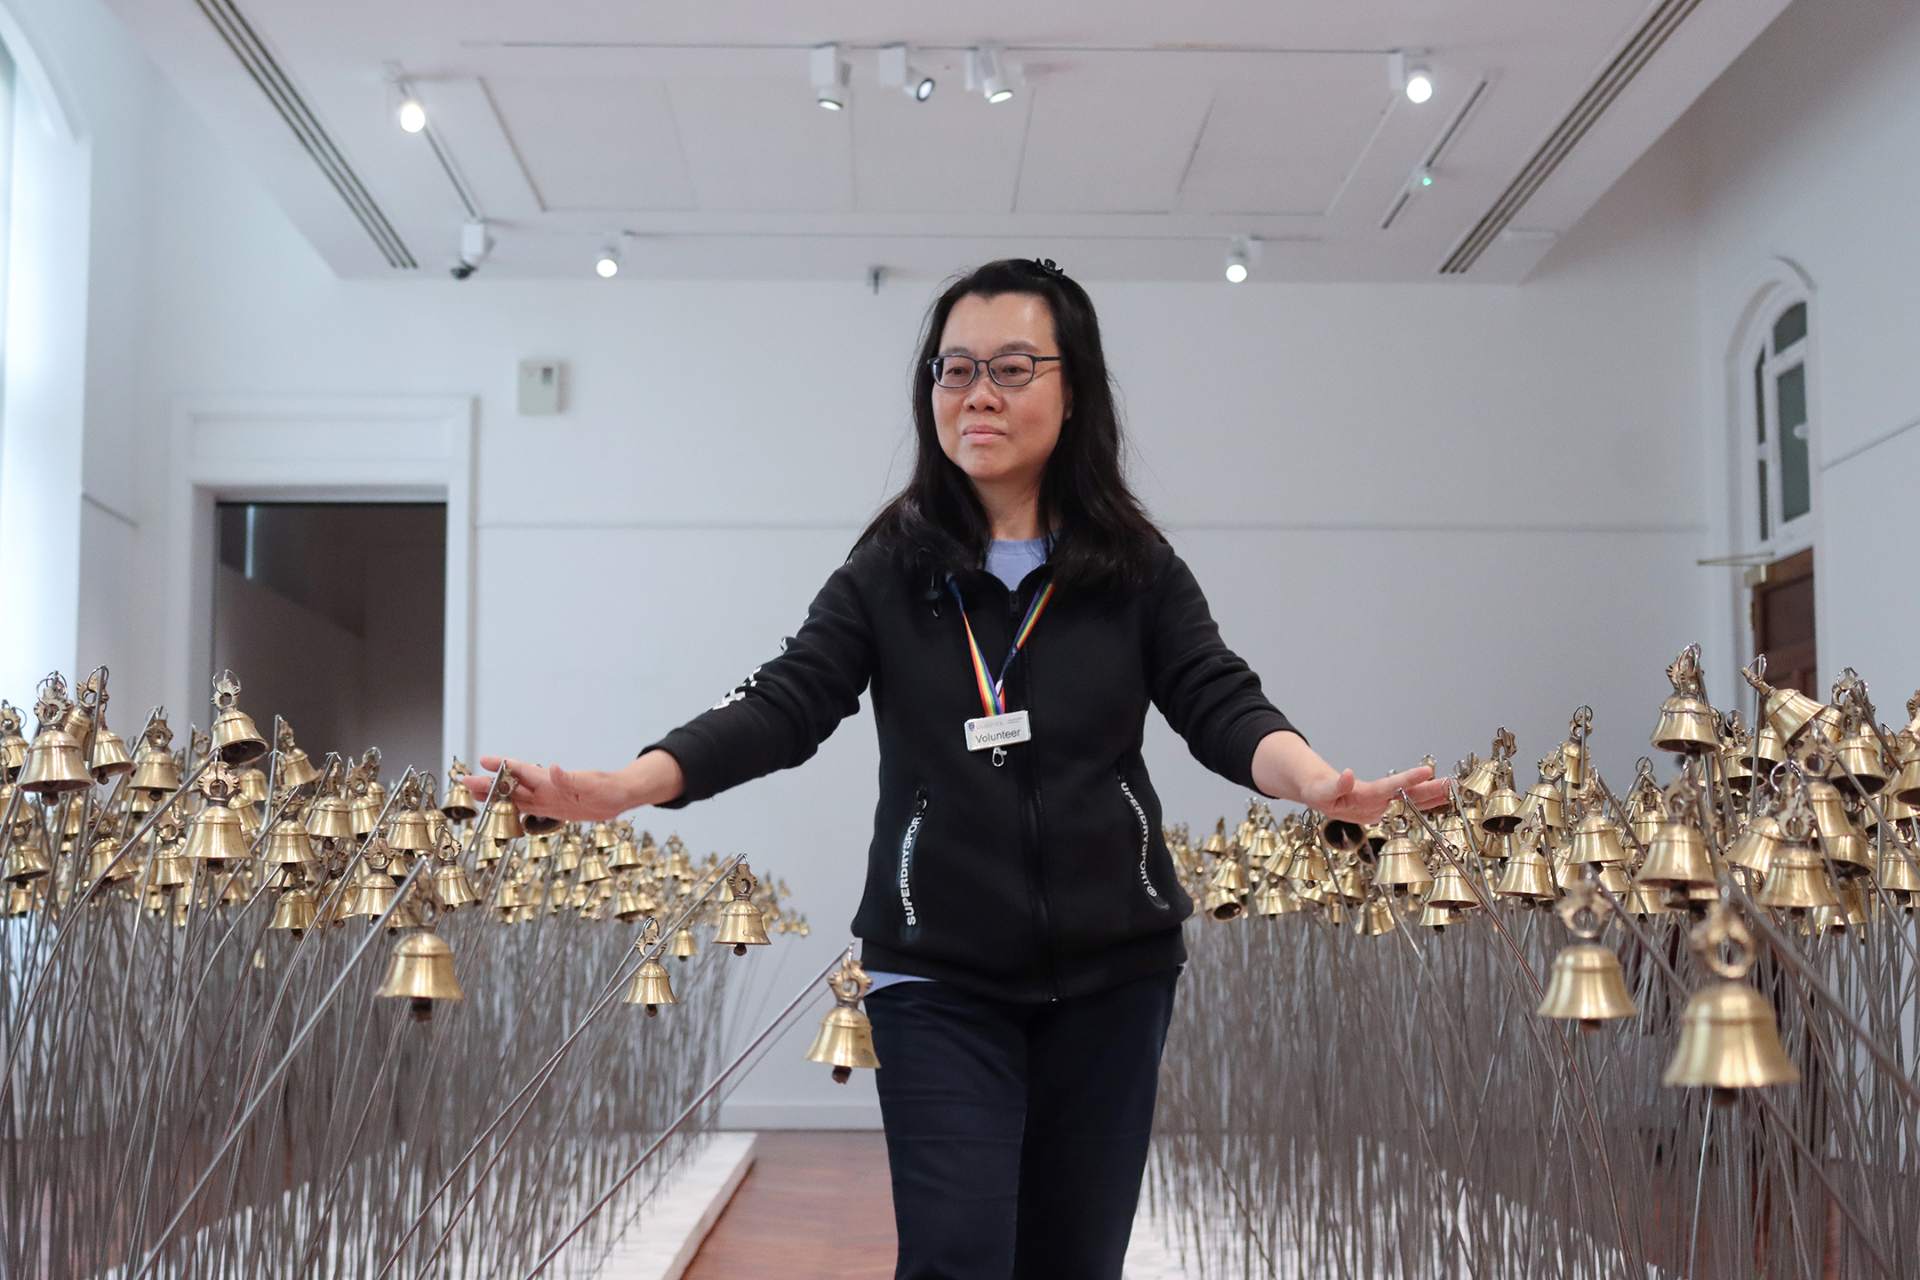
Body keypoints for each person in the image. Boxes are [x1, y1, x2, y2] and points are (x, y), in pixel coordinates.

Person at [463, 257, 1450, 1279]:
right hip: (935, 970)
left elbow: (1220, 697)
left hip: (1116, 973)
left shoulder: (1133, 568)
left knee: (1070, 1261)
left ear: (1075, 392)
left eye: (1013, 366)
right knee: (958, 1253)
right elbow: (786, 699)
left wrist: (1319, 781)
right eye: (953, 367)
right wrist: (623, 787)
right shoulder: (893, 565)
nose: (977, 391)